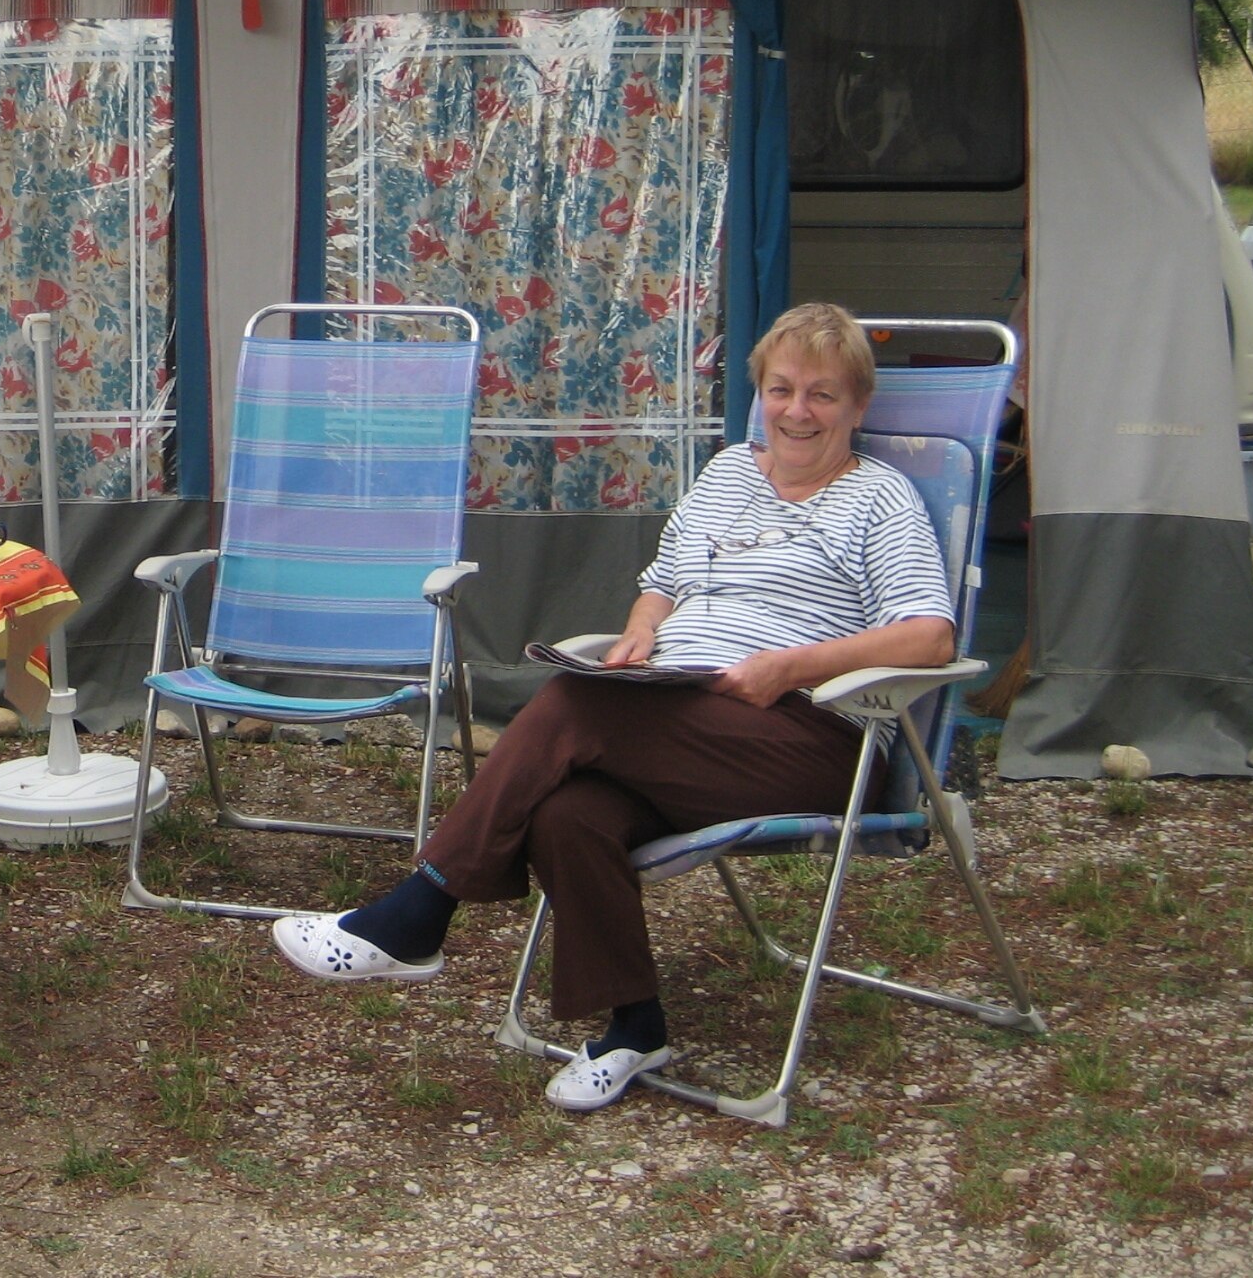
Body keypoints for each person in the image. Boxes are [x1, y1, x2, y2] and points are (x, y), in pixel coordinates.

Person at [269, 302, 954, 1113]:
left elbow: (930, 637)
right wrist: (638, 635)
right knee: (569, 813)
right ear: (759, 395)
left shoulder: (881, 500)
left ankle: (419, 912)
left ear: (857, 407)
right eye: (782, 389)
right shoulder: (732, 472)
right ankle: (635, 1025)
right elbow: (661, 584)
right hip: (685, 714)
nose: (797, 412)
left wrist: (791, 667)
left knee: (574, 705)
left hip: (807, 735)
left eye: (823, 395)